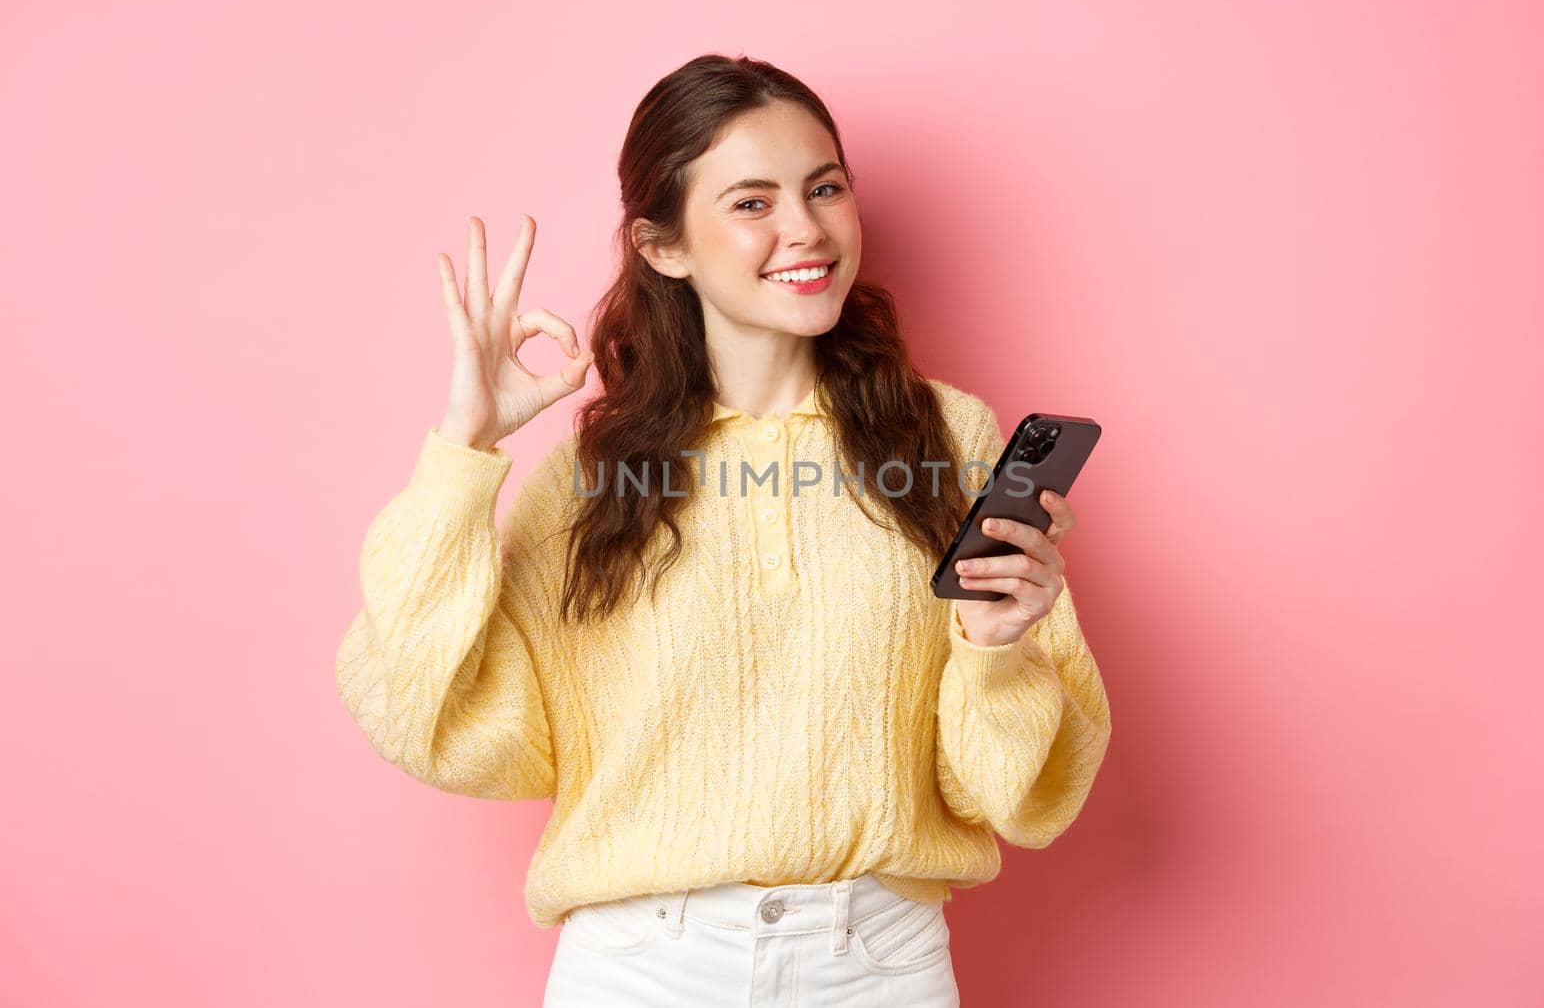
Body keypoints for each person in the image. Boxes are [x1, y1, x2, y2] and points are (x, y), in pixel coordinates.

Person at [334, 53, 1112, 1007]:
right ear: (663, 245)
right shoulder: (592, 481)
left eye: (825, 187)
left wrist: (996, 652)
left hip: (877, 966)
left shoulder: (949, 439)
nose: (807, 229)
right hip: (640, 968)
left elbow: (1014, 795)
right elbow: (430, 710)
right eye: (752, 202)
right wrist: (466, 444)